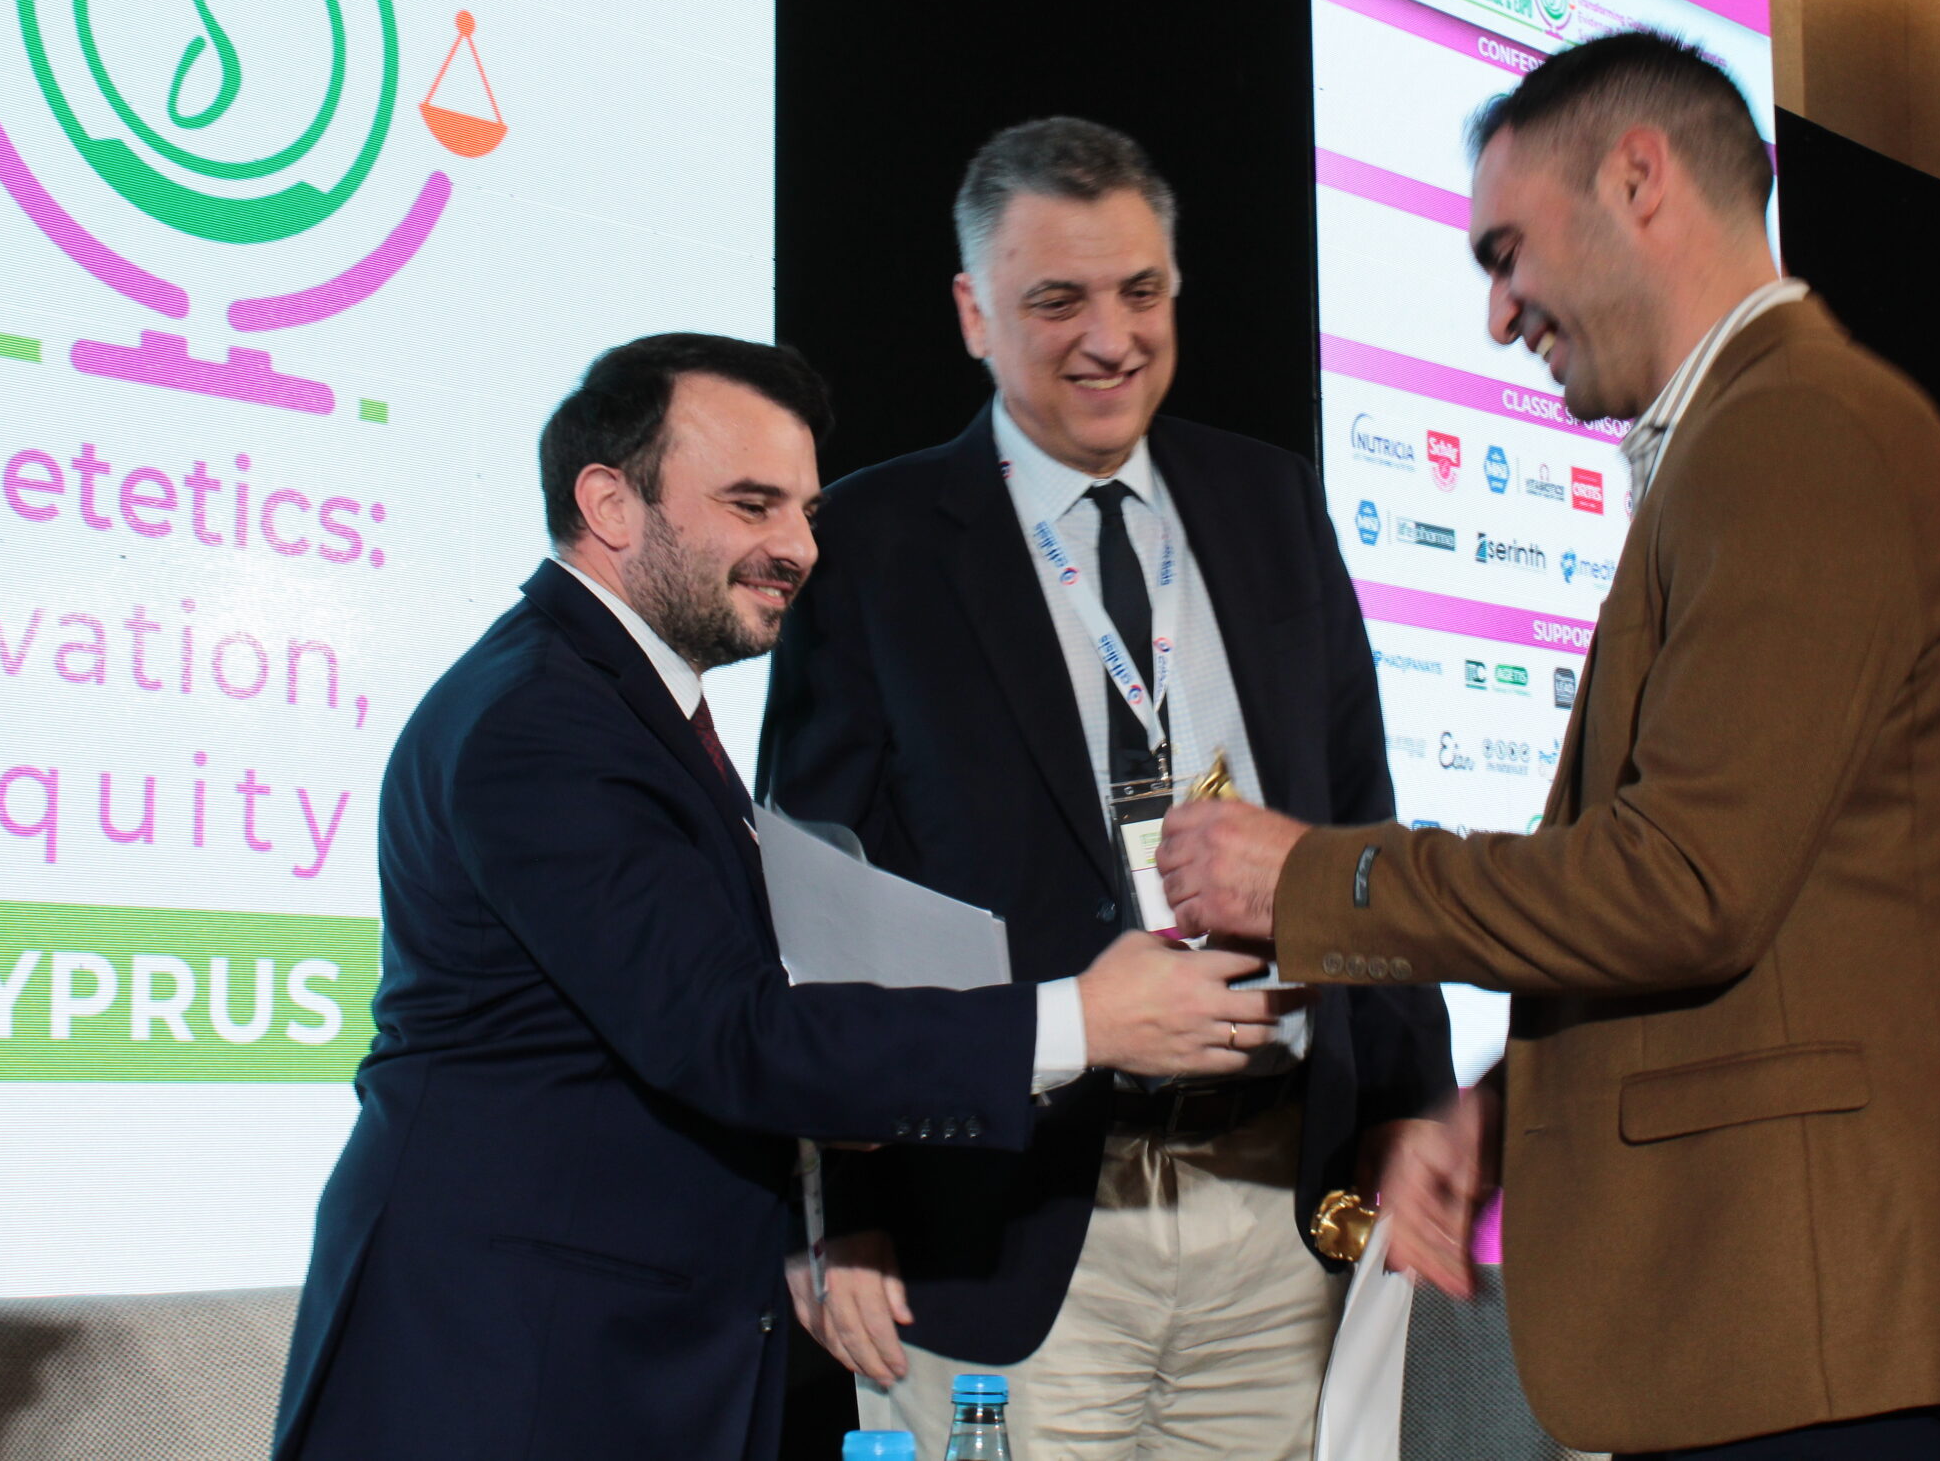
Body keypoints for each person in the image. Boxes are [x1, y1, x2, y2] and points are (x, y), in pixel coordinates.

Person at [1158, 32, 1940, 1458]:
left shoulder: (1788, 429)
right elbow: (1776, 919)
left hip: (1841, 1335)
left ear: (1639, 178)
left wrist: (1307, 876)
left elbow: (1685, 884)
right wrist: (1493, 1109)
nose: (1497, 315)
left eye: (1506, 252)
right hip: (1815, 1330)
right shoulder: (1755, 429)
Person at [271, 334, 1277, 1461]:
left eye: (804, 510)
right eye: (752, 505)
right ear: (609, 503)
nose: (798, 546)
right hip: (509, 1368)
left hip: (602, 1347)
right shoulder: (540, 723)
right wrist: (1082, 1020)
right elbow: (725, 1034)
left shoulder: (624, 704)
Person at [759, 118, 1455, 1459]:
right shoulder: (873, 543)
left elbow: (1359, 825)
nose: (1110, 338)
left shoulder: (1271, 504)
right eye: (1057, 300)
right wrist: (836, 1206)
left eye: (1141, 291)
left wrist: (1406, 1103)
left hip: (1275, 1209)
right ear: (974, 313)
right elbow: (819, 906)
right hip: (999, 1225)